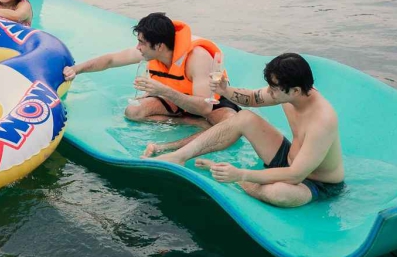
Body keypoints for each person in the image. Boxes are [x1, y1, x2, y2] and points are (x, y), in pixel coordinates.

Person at [143, 52, 344, 208]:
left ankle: (226, 174)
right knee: (244, 117)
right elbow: (251, 98)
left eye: (274, 88)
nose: (269, 92)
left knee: (279, 194)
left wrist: (241, 175)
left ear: (296, 91)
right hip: (288, 161)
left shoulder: (322, 120)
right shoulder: (288, 92)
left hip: (316, 184)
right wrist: (224, 91)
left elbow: (295, 176)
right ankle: (179, 156)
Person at [62, 12, 239, 124]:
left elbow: (205, 108)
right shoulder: (150, 51)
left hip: (209, 103)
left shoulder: (197, 58)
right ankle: (190, 123)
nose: (138, 47)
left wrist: (164, 91)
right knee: (133, 111)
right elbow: (110, 60)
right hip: (178, 100)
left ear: (159, 46)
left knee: (229, 123)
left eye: (141, 42)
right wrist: (77, 69)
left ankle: (190, 125)